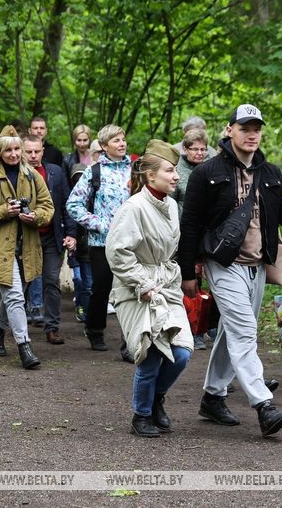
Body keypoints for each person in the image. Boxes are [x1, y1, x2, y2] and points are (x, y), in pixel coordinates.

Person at [178, 103, 282, 437]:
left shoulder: (270, 173)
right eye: (245, 128)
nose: (252, 134)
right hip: (223, 264)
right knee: (245, 330)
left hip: (258, 266)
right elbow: (190, 224)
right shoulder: (208, 172)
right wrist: (188, 271)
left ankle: (213, 397)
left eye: (256, 128)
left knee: (233, 332)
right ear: (229, 130)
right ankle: (264, 404)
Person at [106, 139, 192, 438]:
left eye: (176, 170)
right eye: (170, 170)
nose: (176, 176)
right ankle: (141, 414)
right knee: (152, 353)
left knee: (181, 353)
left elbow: (172, 250)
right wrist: (142, 284)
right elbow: (117, 253)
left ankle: (156, 397)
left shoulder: (170, 205)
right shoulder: (134, 208)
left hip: (166, 285)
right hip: (135, 289)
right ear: (150, 175)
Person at [0, 126, 54, 370]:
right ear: (0, 152)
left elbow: (48, 207)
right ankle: (24, 346)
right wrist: (3, 211)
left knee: (12, 296)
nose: (14, 154)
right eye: (9, 150)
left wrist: (35, 216)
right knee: (16, 296)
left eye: (17, 149)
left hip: (27, 247)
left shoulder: (32, 176)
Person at [66, 124, 132, 353]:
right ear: (104, 146)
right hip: (101, 242)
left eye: (123, 139)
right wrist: (100, 224)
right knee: (102, 288)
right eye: (115, 140)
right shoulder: (94, 172)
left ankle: (131, 337)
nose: (121, 143)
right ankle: (94, 330)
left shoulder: (136, 169)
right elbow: (73, 204)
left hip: (131, 241)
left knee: (130, 288)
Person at [23, 135, 78, 344]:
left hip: (52, 238)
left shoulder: (55, 172)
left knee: (51, 282)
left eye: (37, 151)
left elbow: (66, 204)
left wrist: (71, 233)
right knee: (24, 283)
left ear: (43, 150)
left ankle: (52, 327)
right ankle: (17, 326)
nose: (33, 155)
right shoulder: (16, 174)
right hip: (26, 238)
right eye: (29, 152)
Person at [170, 127, 210, 349]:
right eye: (195, 149)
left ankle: (198, 329)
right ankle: (180, 327)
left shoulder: (209, 169)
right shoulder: (177, 171)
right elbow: (171, 203)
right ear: (185, 149)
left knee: (199, 284)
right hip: (181, 234)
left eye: (203, 149)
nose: (200, 153)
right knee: (182, 280)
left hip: (205, 235)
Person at [68, 164, 92, 323]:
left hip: (88, 250)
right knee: (78, 279)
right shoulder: (71, 202)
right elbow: (69, 226)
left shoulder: (93, 199)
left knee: (89, 283)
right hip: (75, 249)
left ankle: (88, 314)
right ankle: (80, 306)